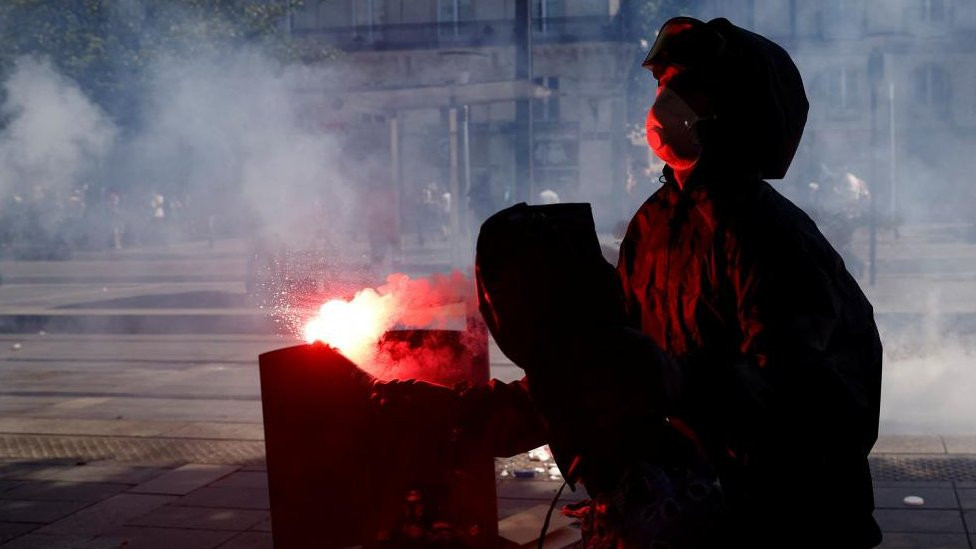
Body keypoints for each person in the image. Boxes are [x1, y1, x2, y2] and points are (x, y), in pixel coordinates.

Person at [616, 17, 882, 547]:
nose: (665, 102)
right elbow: (627, 346)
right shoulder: (653, 225)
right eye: (663, 86)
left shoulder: (769, 236)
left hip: (789, 517)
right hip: (701, 505)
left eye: (685, 87)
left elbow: (791, 392)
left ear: (733, 111)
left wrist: (675, 382)